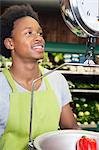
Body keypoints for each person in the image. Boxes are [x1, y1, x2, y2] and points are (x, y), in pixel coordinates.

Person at [0, 4, 80, 150]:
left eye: (40, 33)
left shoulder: (56, 79)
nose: (38, 38)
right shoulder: (1, 85)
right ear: (10, 43)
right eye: (29, 33)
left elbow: (71, 127)